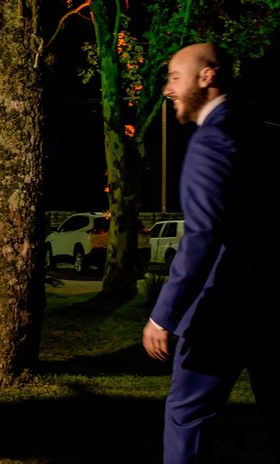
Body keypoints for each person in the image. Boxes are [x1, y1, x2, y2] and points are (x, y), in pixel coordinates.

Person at [142, 42, 279, 463]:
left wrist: (163, 315)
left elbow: (202, 237)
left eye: (175, 77)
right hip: (269, 306)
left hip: (223, 310)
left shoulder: (211, 142)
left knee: (186, 416)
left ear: (207, 76)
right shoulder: (261, 128)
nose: (168, 89)